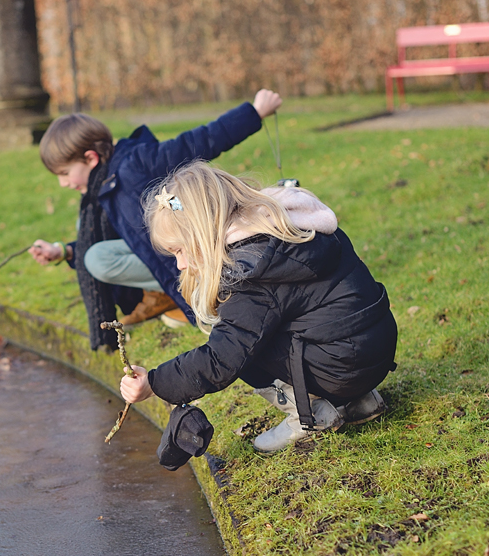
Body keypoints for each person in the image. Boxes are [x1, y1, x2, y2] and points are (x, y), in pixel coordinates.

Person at [118, 161, 397, 454]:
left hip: (344, 368)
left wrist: (154, 382)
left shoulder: (250, 270)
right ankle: (359, 400)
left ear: (202, 233)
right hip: (375, 348)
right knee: (278, 324)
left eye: (180, 250)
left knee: (243, 347)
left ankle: (308, 414)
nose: (181, 264)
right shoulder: (288, 221)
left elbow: (220, 359)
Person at [28, 91, 281, 351]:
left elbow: (200, 140)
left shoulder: (137, 161)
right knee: (90, 247)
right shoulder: (101, 191)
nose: (63, 183)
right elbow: (115, 240)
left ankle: (180, 290)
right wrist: (64, 251)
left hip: (187, 253)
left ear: (91, 158)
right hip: (158, 257)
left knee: (99, 251)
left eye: (65, 173)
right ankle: (163, 295)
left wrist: (255, 112)